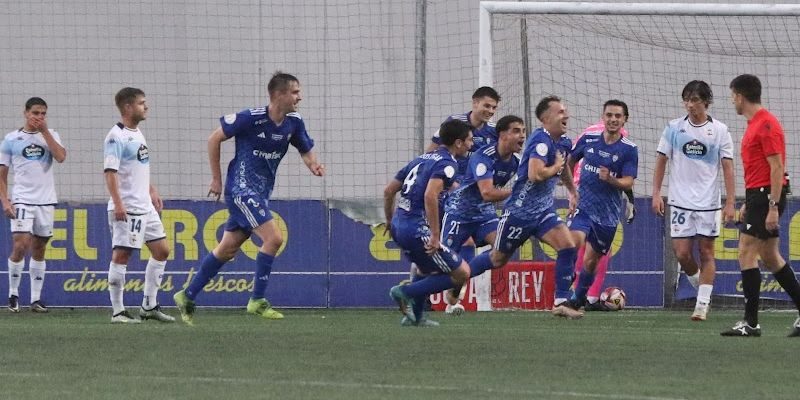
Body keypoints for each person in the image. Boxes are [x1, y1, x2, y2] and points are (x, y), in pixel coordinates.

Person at [173, 72, 324, 325]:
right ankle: (257, 300)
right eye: (295, 92)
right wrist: (216, 179)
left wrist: (313, 165)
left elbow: (305, 149)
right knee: (274, 238)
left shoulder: (294, 123)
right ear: (279, 95)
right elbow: (214, 138)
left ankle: (187, 295)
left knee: (227, 248)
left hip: (261, 193)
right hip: (241, 190)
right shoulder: (249, 118)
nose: (300, 97)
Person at [466, 96, 583, 319]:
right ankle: (459, 275)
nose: (566, 115)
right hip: (519, 213)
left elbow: (564, 166)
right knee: (498, 259)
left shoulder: (564, 142)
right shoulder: (540, 140)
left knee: (568, 246)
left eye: (565, 111)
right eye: (560, 112)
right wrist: (555, 166)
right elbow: (535, 173)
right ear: (545, 118)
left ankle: (561, 301)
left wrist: (572, 191)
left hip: (543, 212)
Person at [721, 74, 800, 337]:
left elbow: (777, 167)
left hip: (767, 196)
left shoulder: (766, 124)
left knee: (745, 251)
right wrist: (748, 201)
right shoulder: (754, 124)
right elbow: (758, 169)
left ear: (741, 96)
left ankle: (751, 322)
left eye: (733, 95)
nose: (733, 100)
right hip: (759, 195)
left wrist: (773, 206)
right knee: (770, 256)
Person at [652, 80, 736, 321]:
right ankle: (702, 286)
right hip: (679, 201)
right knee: (682, 254)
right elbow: (661, 161)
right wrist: (657, 193)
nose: (690, 105)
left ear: (706, 102)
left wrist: (730, 202)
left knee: (707, 251)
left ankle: (702, 305)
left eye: (695, 100)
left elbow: (728, 168)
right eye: (687, 100)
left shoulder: (720, 130)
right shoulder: (673, 128)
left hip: (709, 202)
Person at [385, 120, 474, 326]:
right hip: (417, 228)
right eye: (469, 141)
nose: (471, 145)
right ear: (458, 143)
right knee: (462, 273)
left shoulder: (420, 159)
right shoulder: (448, 164)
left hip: (400, 225)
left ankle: (416, 318)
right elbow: (429, 195)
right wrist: (435, 235)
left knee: (426, 270)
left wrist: (390, 221)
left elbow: (389, 190)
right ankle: (403, 291)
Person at [438, 115, 525, 312]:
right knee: (442, 261)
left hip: (484, 214)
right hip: (460, 212)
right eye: (517, 131)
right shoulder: (482, 156)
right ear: (502, 135)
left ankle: (459, 285)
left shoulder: (516, 163)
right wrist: (515, 193)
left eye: (523, 132)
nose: (522, 136)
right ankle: (414, 289)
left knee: (502, 251)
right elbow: (487, 193)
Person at [103, 87, 174, 324]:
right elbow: (110, 172)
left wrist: (152, 190)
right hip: (128, 207)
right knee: (122, 255)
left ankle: (149, 305)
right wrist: (119, 203)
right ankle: (118, 311)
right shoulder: (116, 136)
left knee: (162, 250)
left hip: (145, 205)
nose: (147, 106)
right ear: (128, 107)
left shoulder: (137, 132)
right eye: (142, 103)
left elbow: (137, 167)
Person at [566, 100, 638, 310]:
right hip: (583, 205)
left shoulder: (629, 150)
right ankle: (565, 289)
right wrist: (572, 189)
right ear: (603, 117)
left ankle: (579, 299)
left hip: (607, 214)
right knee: (571, 242)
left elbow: (628, 181)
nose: (613, 119)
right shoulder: (588, 139)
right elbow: (570, 161)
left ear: (624, 120)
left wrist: (611, 180)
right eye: (609, 115)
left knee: (591, 261)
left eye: (618, 116)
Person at [0, 97, 66, 313]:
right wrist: (5, 200)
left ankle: (36, 299)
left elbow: (61, 157)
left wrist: (45, 132)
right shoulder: (11, 139)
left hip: (46, 200)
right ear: (26, 113)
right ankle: (13, 294)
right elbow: (2, 175)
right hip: (22, 199)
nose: (39, 117)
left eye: (43, 113)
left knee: (40, 247)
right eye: (36, 113)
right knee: (21, 244)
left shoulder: (51, 135)